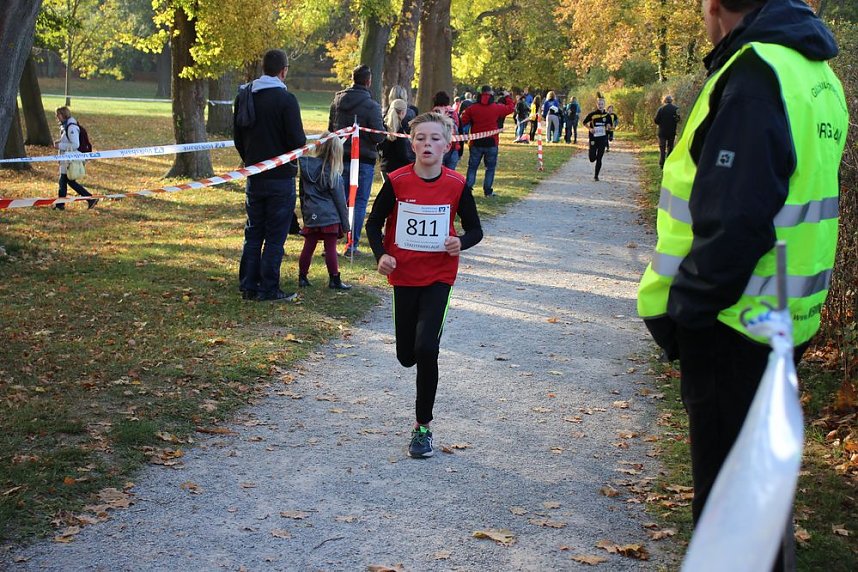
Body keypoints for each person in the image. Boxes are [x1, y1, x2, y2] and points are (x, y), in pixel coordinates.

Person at [637, 0, 847, 569]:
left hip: (733, 323)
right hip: (783, 316)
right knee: (755, 499)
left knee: (732, 513)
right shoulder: (816, 71)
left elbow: (734, 221)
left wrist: (685, 314)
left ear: (715, 8)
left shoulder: (755, 73)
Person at [365, 112, 483, 458]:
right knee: (407, 355)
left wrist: (460, 242)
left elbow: (475, 229)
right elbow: (373, 224)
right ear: (411, 143)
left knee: (427, 349)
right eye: (421, 138)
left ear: (448, 145)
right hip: (403, 275)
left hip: (438, 276)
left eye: (435, 139)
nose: (427, 144)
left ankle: (422, 427)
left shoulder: (457, 185)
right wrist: (381, 255)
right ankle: (413, 358)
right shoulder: (397, 181)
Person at [234, 49, 306, 302]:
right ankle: (268, 288)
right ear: (284, 71)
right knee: (275, 236)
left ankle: (248, 285)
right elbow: (297, 140)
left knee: (253, 232)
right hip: (280, 177)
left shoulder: (245, 96)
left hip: (255, 174)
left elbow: (237, 137)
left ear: (263, 68)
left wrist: (251, 159)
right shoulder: (286, 100)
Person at [328, 64, 386, 256]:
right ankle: (351, 244)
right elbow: (378, 136)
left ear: (352, 78)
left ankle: (331, 243)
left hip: (338, 157)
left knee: (338, 200)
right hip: (363, 159)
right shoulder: (372, 106)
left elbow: (331, 129)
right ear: (368, 81)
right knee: (359, 201)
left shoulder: (337, 100)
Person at [297, 134, 351, 291]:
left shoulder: (306, 169)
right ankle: (334, 278)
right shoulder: (334, 175)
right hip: (329, 216)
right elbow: (340, 202)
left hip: (312, 214)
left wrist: (306, 214)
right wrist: (346, 225)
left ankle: (302, 276)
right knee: (330, 248)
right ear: (336, 152)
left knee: (309, 245)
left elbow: (302, 194)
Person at [460, 85, 515, 198]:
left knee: (472, 167)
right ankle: (488, 191)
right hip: (492, 142)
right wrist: (508, 96)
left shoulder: (472, 108)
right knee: (490, 168)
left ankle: (468, 189)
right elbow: (510, 108)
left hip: (476, 142)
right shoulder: (497, 108)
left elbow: (463, 121)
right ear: (491, 95)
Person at [53, 107, 96, 210]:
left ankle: (61, 205)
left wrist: (60, 146)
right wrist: (60, 142)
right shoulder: (66, 126)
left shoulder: (71, 128)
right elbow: (68, 140)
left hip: (70, 159)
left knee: (64, 181)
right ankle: (89, 199)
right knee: (67, 181)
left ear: (63, 115)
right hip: (66, 159)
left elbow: (75, 144)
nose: (57, 117)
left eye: (58, 114)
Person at [377, 99, 415, 179]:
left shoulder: (383, 127)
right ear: (402, 113)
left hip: (385, 166)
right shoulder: (399, 131)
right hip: (398, 169)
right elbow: (402, 153)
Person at [582, 95, 611, 181]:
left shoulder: (607, 116)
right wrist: (590, 129)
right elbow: (584, 122)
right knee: (592, 158)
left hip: (603, 139)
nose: (600, 105)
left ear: (604, 104)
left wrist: (608, 127)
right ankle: (592, 155)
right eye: (599, 104)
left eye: (602, 104)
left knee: (599, 158)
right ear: (596, 104)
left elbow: (609, 126)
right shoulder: (592, 114)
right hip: (593, 138)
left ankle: (596, 176)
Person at [431, 91, 461, 170]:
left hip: (439, 145)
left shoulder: (434, 112)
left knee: (438, 172)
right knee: (450, 173)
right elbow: (457, 125)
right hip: (453, 145)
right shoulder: (453, 112)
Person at [653, 95, 680, 168]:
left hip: (662, 131)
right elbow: (678, 119)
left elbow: (656, 120)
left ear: (664, 100)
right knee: (670, 147)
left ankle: (662, 163)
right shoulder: (676, 109)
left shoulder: (661, 109)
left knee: (662, 148)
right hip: (671, 131)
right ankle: (669, 163)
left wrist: (661, 123)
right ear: (672, 100)